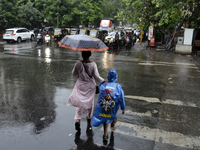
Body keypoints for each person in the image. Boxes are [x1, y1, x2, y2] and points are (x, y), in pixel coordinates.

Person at [67, 51, 106, 132]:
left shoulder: (78, 63)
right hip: (90, 87)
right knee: (90, 102)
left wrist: (79, 71)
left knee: (79, 102)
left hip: (80, 86)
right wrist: (103, 81)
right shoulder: (93, 64)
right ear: (90, 55)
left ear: (82, 55)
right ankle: (89, 116)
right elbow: (96, 77)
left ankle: (78, 120)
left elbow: (73, 74)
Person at [91, 69, 125, 141]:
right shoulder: (118, 87)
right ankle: (113, 122)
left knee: (105, 118)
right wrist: (123, 108)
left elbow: (99, 90)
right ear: (116, 77)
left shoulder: (103, 85)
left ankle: (105, 134)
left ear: (108, 76)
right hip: (113, 107)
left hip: (104, 107)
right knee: (113, 113)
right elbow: (121, 98)